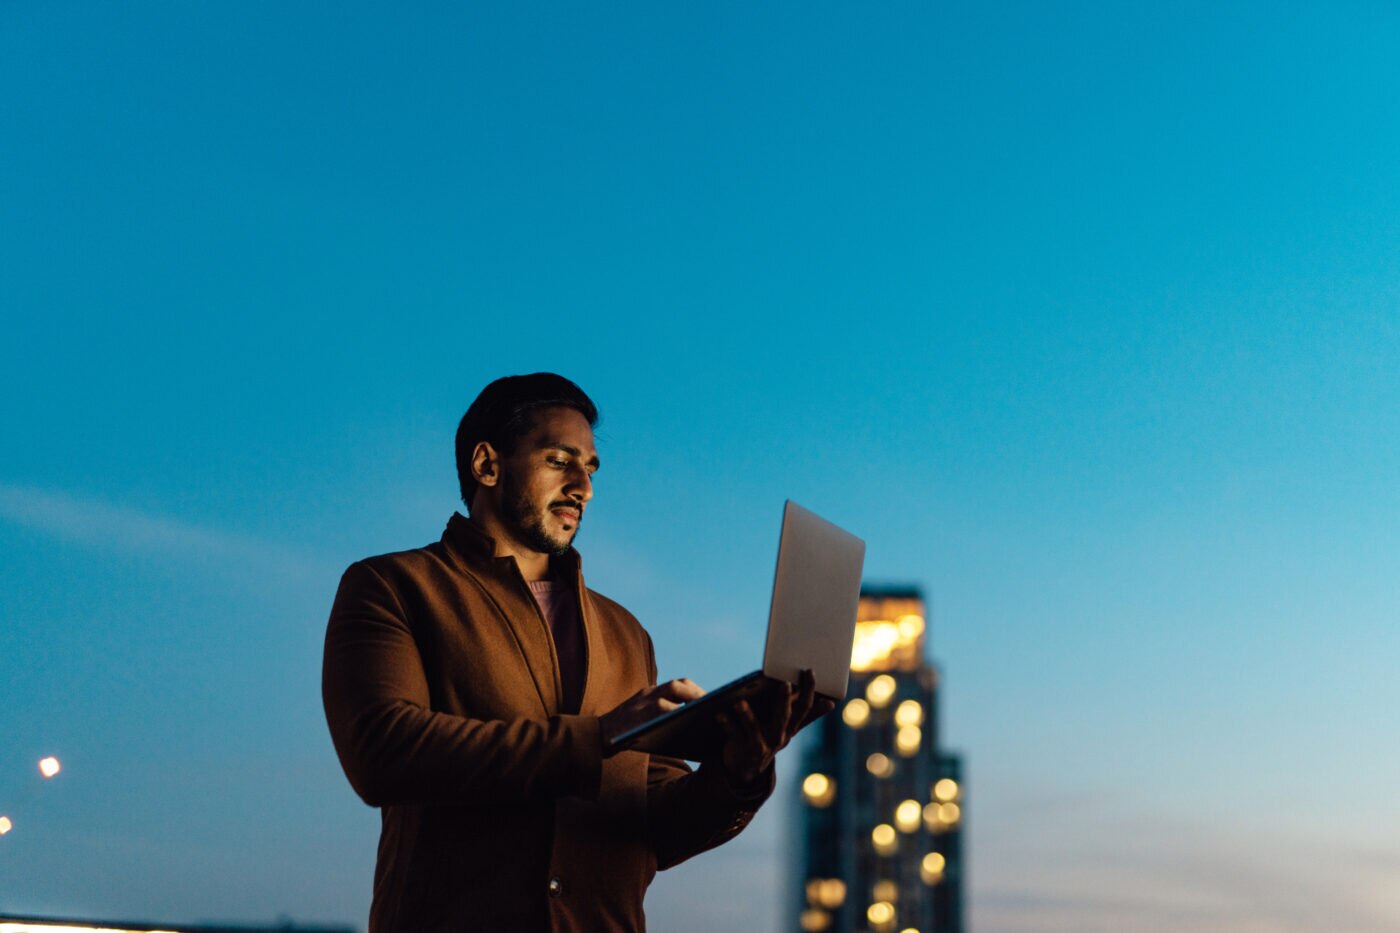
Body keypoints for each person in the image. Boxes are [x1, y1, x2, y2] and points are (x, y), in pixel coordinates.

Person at [322, 373, 832, 932]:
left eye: (589, 468)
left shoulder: (625, 633)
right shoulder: (392, 586)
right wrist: (601, 736)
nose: (582, 488)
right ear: (487, 465)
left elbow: (653, 827)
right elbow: (382, 752)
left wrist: (739, 773)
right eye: (559, 460)